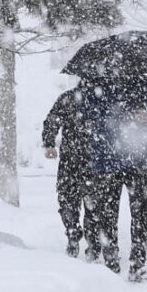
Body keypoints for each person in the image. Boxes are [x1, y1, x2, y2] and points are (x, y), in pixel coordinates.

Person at [81, 74, 147, 282]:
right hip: (107, 160)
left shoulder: (146, 84)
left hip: (139, 160)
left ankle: (138, 263)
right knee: (108, 213)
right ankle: (111, 262)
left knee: (140, 211)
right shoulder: (96, 85)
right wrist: (114, 118)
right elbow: (85, 117)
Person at [41, 79, 97, 259]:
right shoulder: (99, 98)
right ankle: (89, 240)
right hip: (92, 160)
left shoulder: (69, 98)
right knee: (92, 203)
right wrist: (49, 143)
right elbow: (53, 120)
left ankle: (75, 234)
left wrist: (50, 143)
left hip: (72, 159)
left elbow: (52, 120)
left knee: (69, 200)